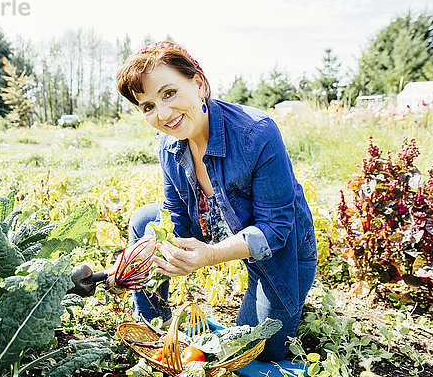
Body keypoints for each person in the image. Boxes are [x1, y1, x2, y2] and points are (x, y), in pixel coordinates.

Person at [115, 41, 317, 362]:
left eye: (169, 93)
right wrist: (140, 259)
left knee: (257, 350)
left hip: (279, 248)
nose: (163, 114)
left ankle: (282, 297)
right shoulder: (169, 145)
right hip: (217, 225)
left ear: (198, 83)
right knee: (145, 223)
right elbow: (175, 215)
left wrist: (209, 255)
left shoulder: (256, 133)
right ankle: (158, 323)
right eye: (148, 106)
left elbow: (276, 230)